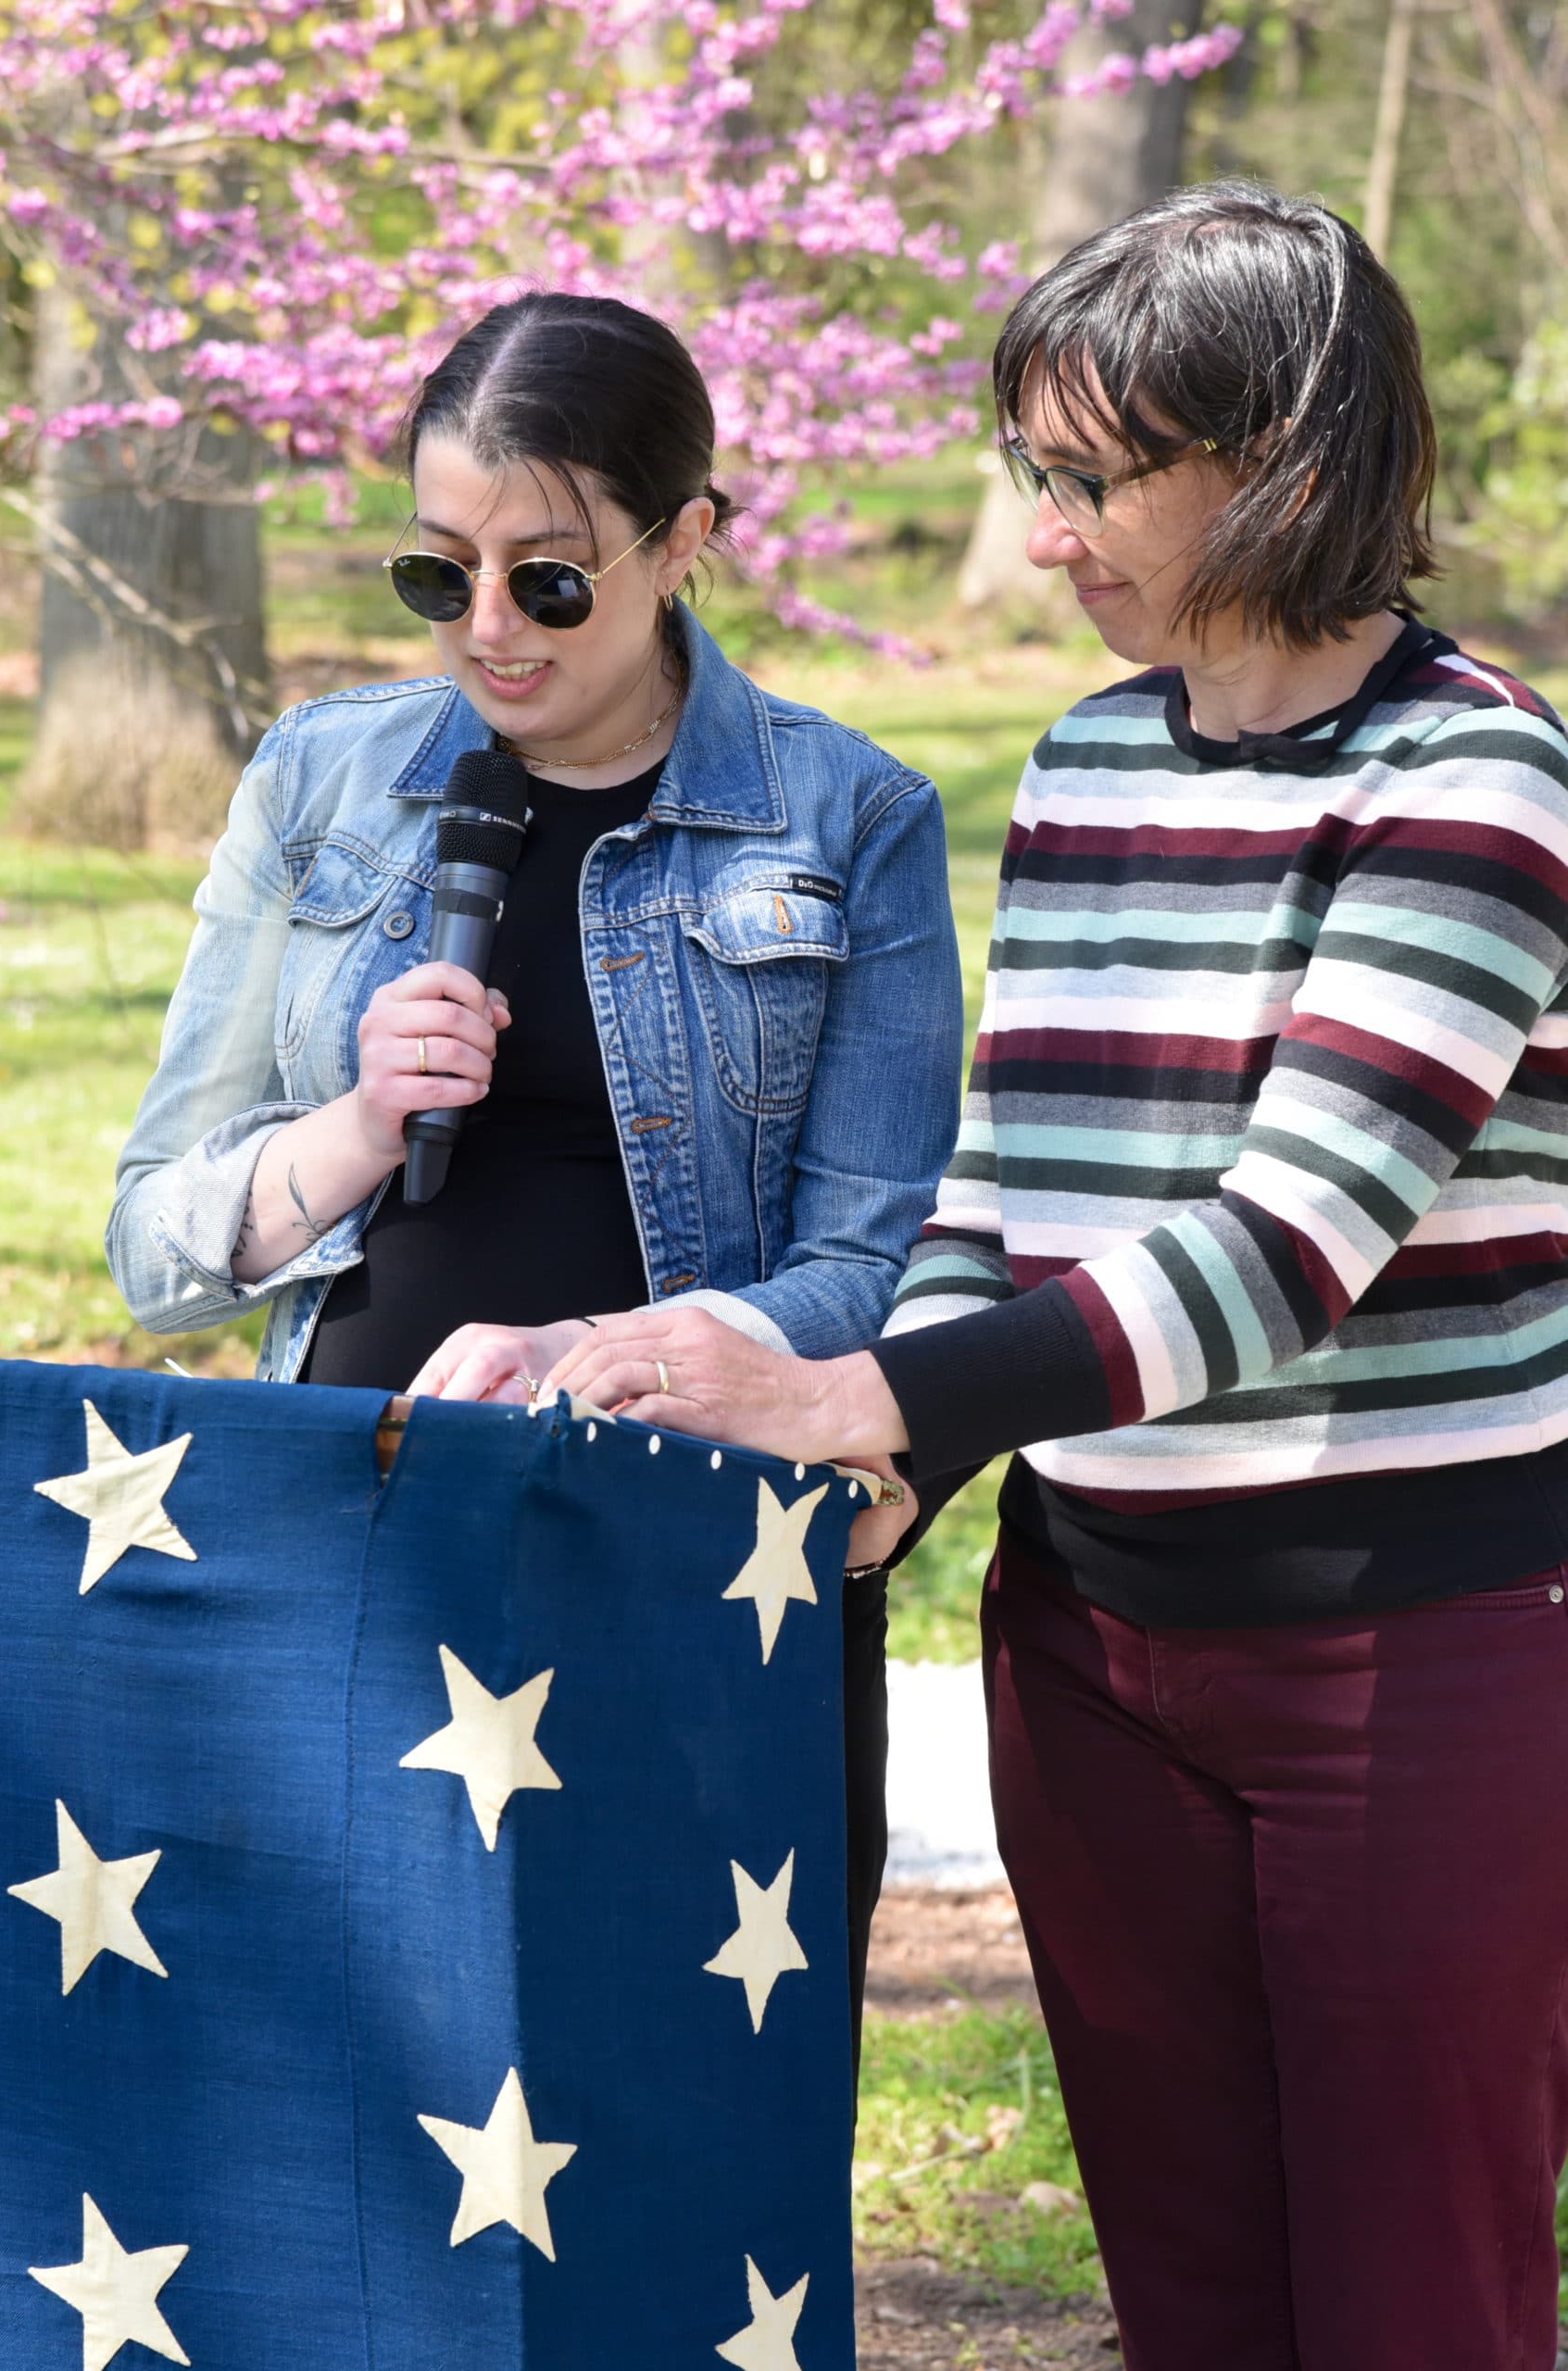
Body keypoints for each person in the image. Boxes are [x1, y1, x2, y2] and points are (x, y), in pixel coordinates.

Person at [544, 185, 1568, 2369]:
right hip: (1093, 1643)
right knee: (1184, 2295)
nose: (1043, 535)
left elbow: (1282, 1245)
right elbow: (1001, 1182)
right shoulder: (1096, 755)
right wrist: (907, 1430)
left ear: (1281, 457)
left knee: (1413, 2301)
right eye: (1035, 471)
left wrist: (870, 1398)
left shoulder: (1472, 779)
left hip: (1417, 1657)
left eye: (1095, 479)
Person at [105, 291, 964, 2077]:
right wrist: (349, 1125)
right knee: (343, 2131)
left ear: (688, 543)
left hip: (696, 1556)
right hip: (352, 1554)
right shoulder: (324, 780)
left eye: (549, 578)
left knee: (677, 2110)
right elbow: (154, 1243)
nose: (487, 630)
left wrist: (616, 1348)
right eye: (442, 574)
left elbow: (877, 1260)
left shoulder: (849, 817)